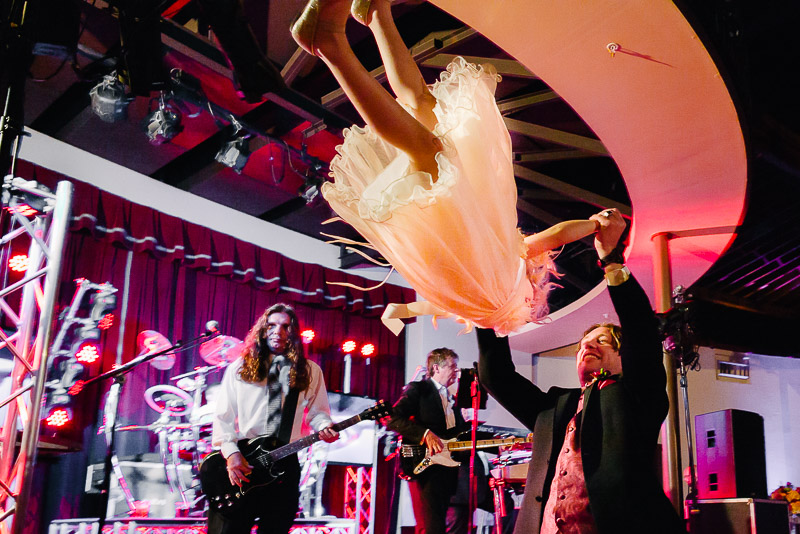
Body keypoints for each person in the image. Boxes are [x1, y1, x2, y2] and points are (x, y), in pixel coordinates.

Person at [290, 0, 601, 335]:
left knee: (426, 146)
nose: (538, 286)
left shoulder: (504, 299)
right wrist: (594, 224)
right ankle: (375, 15)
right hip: (458, 233)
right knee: (423, 106)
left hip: (452, 228)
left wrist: (596, 224)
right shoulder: (503, 273)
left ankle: (329, 43)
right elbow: (545, 241)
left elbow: (549, 238)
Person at [476, 210, 687, 534]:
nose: (587, 346)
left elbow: (640, 331)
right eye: (582, 344)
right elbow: (496, 376)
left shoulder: (638, 396)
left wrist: (612, 259)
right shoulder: (553, 408)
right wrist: (483, 313)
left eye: (602, 341)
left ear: (622, 356)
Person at [209, 303, 339, 534]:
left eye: (285, 326)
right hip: (245, 459)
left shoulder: (309, 370)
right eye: (271, 325)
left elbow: (318, 413)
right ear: (262, 329)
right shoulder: (239, 368)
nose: (278, 331)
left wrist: (326, 427)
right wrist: (231, 454)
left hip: (285, 460)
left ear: (293, 332)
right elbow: (223, 416)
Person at [388, 348, 468, 534]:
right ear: (436, 368)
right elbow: (393, 418)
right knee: (432, 523)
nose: (456, 371)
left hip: (447, 467)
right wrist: (425, 434)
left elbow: (459, 433)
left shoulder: (451, 398)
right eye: (452, 367)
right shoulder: (420, 389)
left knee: (441, 521)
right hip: (426, 464)